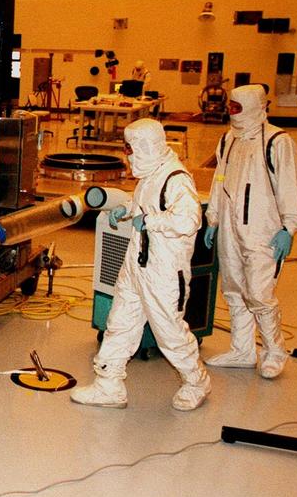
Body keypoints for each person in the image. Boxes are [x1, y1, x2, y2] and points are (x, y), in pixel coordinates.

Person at [71, 118, 211, 411]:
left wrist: (149, 220)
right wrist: (127, 209)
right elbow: (145, 201)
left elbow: (189, 220)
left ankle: (196, 381)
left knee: (169, 333)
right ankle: (108, 384)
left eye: (131, 149)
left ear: (146, 147)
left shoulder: (176, 179)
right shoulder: (151, 174)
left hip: (163, 271)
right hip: (136, 265)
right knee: (120, 323)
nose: (129, 155)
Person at [203, 84, 297, 378]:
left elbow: (289, 184)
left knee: (259, 294)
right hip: (230, 228)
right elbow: (219, 178)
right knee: (234, 289)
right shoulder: (228, 140)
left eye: (237, 108)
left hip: (263, 230)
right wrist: (214, 217)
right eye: (230, 107)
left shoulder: (277, 141)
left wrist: (289, 226)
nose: (232, 112)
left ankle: (274, 351)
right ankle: (242, 350)